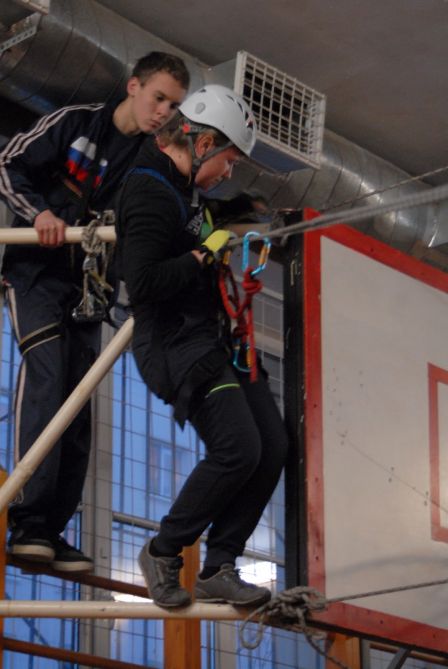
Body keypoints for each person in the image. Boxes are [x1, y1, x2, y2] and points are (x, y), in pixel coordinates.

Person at [0, 51, 190, 572]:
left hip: (90, 289)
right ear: (134, 87)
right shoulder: (76, 124)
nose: (163, 112)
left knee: (78, 401)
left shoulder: (149, 161)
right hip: (36, 277)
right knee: (47, 377)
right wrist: (39, 212)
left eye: (174, 106)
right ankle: (26, 519)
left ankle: (51, 529)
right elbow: (8, 164)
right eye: (159, 98)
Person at [116, 84, 289, 607]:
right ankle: (164, 552)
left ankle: (219, 566)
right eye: (229, 161)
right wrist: (203, 254)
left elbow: (194, 225)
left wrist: (232, 216)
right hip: (173, 345)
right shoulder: (148, 190)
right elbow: (143, 283)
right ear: (204, 143)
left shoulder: (182, 186)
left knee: (272, 446)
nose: (228, 171)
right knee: (238, 448)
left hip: (209, 336)